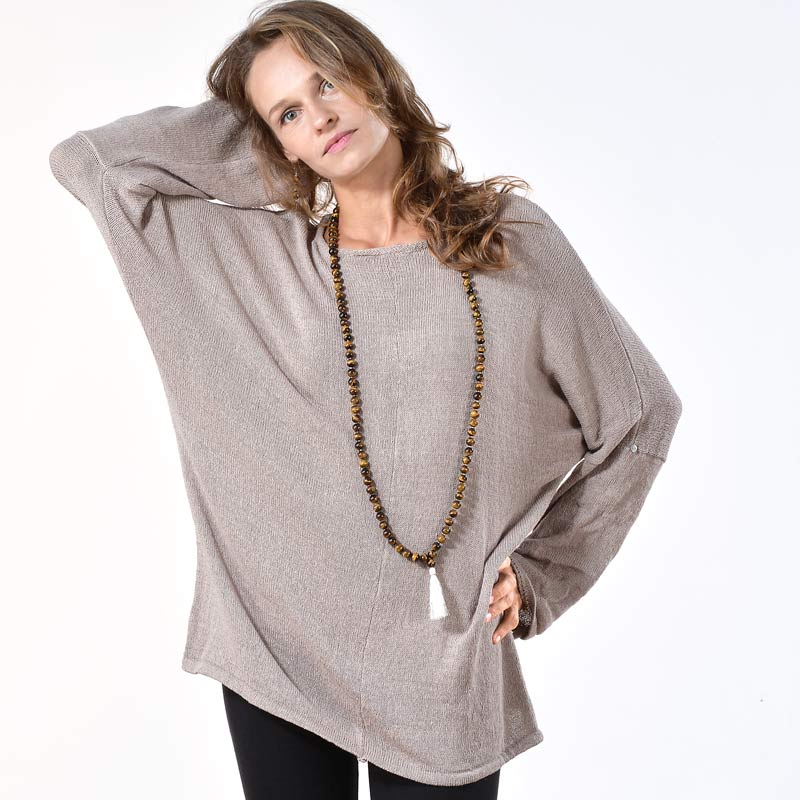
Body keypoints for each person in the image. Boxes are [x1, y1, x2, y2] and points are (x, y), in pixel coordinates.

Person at [47, 1, 682, 797]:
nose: (318, 115)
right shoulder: (270, 267)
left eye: (327, 82)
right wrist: (276, 152)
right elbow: (91, 164)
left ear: (373, 72)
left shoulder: (509, 243)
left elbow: (641, 412)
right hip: (278, 649)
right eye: (287, 112)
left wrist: (546, 567)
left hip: (439, 659)